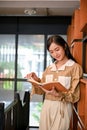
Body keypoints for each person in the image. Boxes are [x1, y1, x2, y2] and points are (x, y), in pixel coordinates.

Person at [25, 35, 83, 130]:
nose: (55, 54)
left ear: (64, 46)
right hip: (47, 105)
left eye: (57, 49)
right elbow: (41, 91)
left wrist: (59, 94)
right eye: (51, 52)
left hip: (62, 107)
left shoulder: (75, 67)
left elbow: (75, 96)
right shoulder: (49, 68)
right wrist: (36, 80)